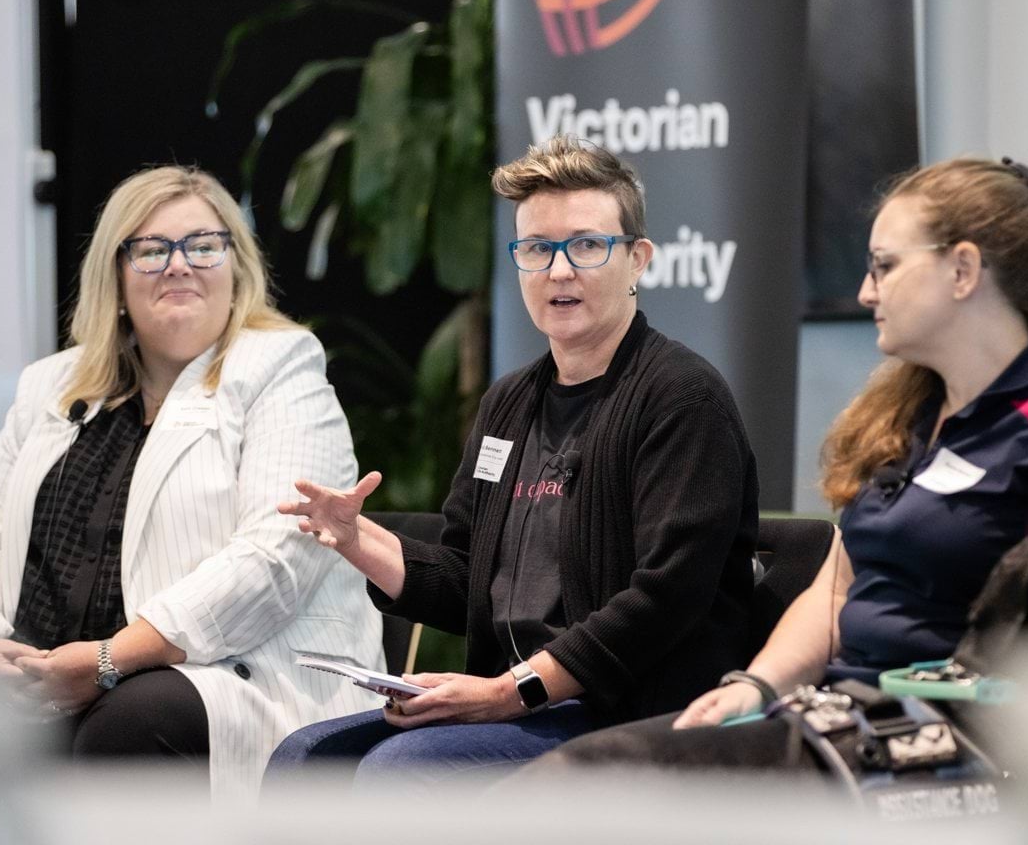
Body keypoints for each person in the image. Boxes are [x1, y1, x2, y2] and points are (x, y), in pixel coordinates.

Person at [527, 155, 1028, 769]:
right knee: (591, 772)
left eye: (884, 266)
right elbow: (838, 591)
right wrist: (756, 686)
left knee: (594, 777)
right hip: (843, 715)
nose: (864, 290)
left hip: (947, 752)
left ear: (963, 271)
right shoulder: (908, 415)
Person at [264, 135, 759, 789]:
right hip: (520, 706)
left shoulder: (682, 398)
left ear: (638, 259)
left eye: (585, 245)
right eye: (536, 249)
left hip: (628, 713)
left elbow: (664, 600)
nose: (558, 271)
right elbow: (469, 580)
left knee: (401, 775)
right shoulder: (510, 404)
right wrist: (360, 541)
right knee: (304, 762)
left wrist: (509, 692)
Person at [0, 165, 383, 800]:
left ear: (236, 266)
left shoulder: (280, 365)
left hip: (231, 675)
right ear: (115, 277)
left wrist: (113, 658)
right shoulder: (51, 384)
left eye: (203, 245)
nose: (179, 265)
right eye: (151, 250)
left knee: (130, 723)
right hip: (48, 667)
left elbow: (276, 556)